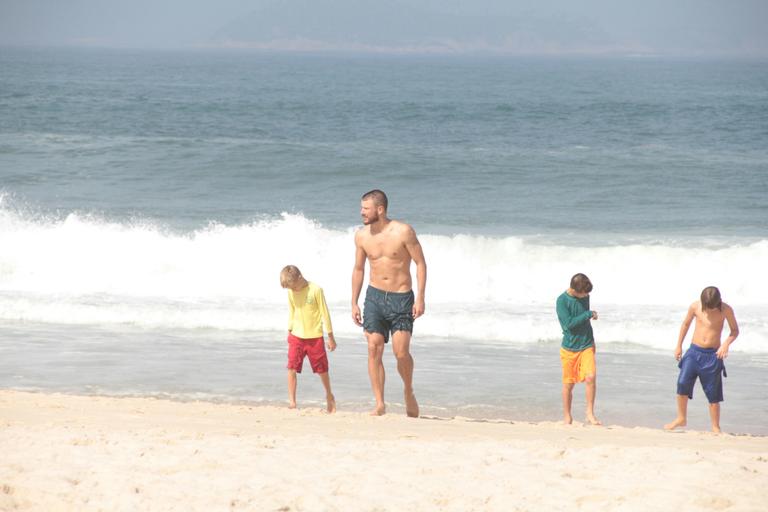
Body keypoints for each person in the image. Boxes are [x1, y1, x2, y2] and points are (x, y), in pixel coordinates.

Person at [351, 189, 427, 417]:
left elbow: (420, 264)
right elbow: (358, 269)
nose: (361, 212)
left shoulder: (404, 232)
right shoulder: (362, 236)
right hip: (374, 296)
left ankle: (408, 390)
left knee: (401, 352)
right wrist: (354, 302)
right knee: (374, 346)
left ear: (380, 209)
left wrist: (421, 297)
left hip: (401, 298)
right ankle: (380, 403)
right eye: (362, 208)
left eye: (366, 208)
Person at [664, 286, 739, 433]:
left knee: (713, 393)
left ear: (718, 302)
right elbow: (685, 324)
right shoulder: (695, 306)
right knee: (682, 383)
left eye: (712, 307)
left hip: (713, 355)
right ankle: (681, 418)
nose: (709, 310)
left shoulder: (726, 310)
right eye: (707, 307)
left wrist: (725, 344)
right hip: (693, 352)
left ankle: (715, 426)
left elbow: (735, 330)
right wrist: (678, 346)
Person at [280, 265, 337, 413]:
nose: (292, 290)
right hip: (296, 336)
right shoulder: (291, 292)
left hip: (315, 337)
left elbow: (325, 314)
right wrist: (289, 330)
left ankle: (329, 396)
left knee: (322, 370)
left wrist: (330, 337)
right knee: (291, 367)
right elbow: (292, 311)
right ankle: (292, 402)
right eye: (289, 289)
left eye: (293, 287)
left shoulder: (316, 290)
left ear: (300, 277)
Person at [556, 273, 601, 426]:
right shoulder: (562, 301)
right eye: (584, 293)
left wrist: (589, 317)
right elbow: (568, 324)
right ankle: (567, 416)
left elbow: (583, 319)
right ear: (575, 290)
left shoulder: (584, 295)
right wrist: (588, 314)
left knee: (591, 377)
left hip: (587, 344)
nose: (586, 296)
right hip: (569, 347)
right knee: (568, 384)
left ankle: (590, 413)